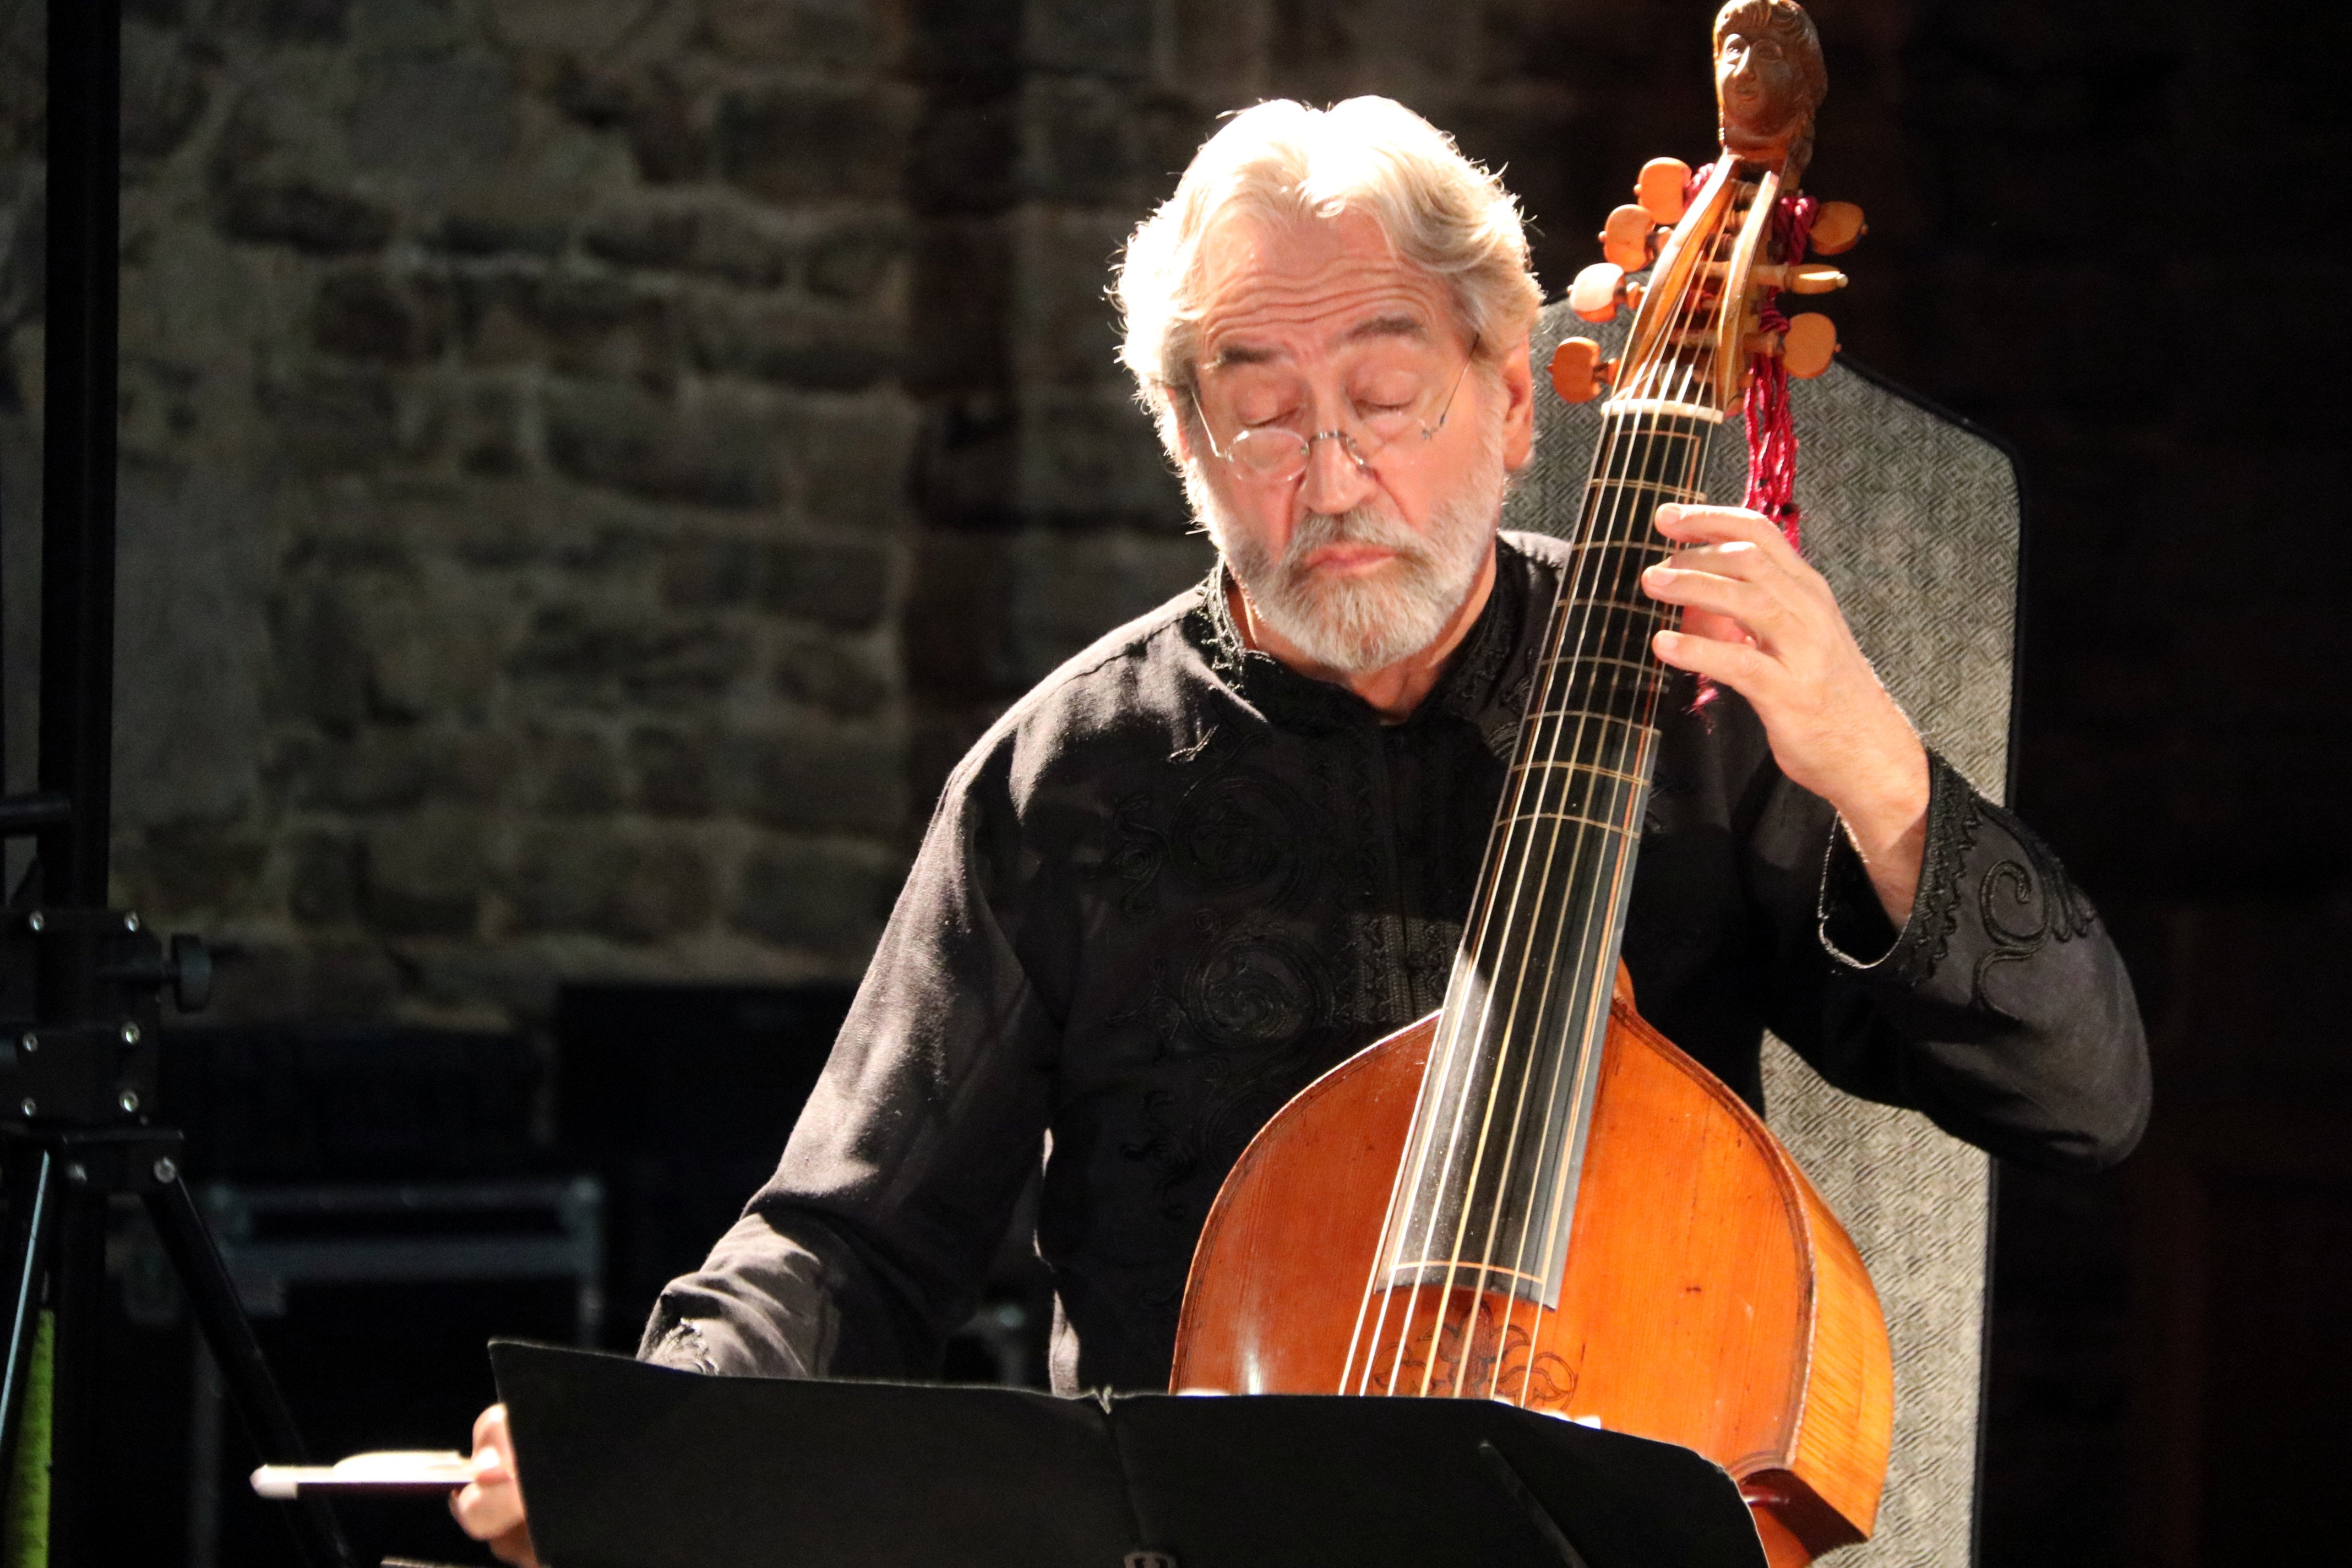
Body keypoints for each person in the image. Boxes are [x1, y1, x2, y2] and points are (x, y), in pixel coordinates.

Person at [453, 95, 2149, 1562]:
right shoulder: (1068, 784)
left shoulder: (1694, 708)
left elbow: (2081, 1101)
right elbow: (852, 1238)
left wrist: (1879, 772)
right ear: (1192, 448)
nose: (1331, 479)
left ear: (1511, 403)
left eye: (1388, 398)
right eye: (1262, 413)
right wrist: (640, 1454)